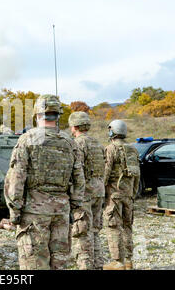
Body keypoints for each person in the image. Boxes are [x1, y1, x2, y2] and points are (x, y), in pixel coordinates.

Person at [4, 94, 85, 270]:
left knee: (34, 262)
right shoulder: (70, 143)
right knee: (60, 261)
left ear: (37, 114)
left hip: (34, 211)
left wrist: (15, 210)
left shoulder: (27, 140)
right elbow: (79, 178)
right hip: (62, 211)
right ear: (58, 115)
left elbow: (16, 177)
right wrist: (75, 206)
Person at [68, 112, 105, 270]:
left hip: (85, 192)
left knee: (82, 233)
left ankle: (85, 266)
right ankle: (98, 265)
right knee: (95, 231)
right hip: (99, 190)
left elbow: (76, 170)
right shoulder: (97, 143)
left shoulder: (77, 144)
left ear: (74, 126)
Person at [103, 120, 140, 270]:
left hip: (114, 195)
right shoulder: (133, 150)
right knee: (127, 227)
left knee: (113, 227)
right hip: (128, 195)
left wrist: (102, 192)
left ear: (112, 131)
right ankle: (129, 261)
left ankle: (118, 261)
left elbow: (105, 173)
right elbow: (137, 175)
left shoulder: (110, 149)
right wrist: (133, 192)